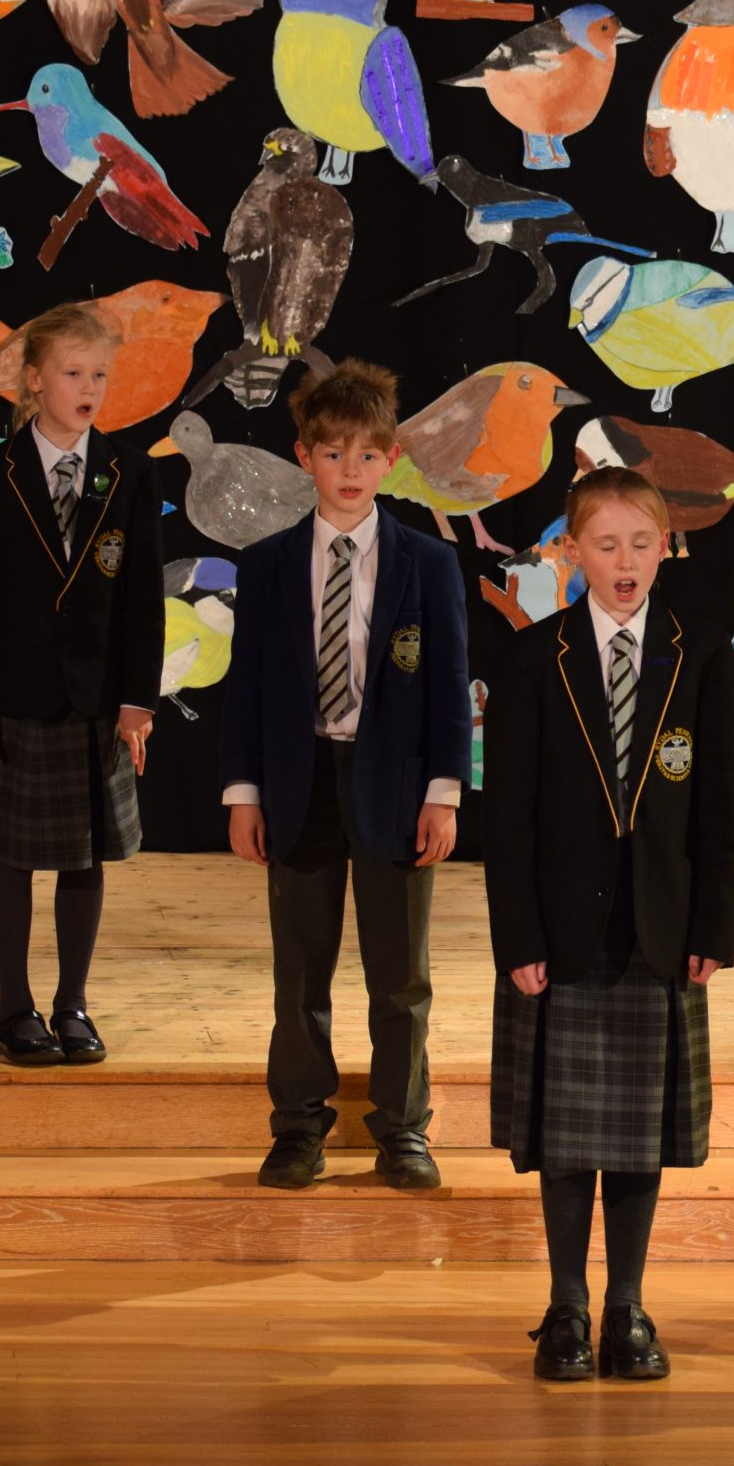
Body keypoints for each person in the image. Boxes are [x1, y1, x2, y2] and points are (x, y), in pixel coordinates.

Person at [483, 466, 734, 1384]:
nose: (625, 561)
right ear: (571, 551)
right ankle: (566, 1304)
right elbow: (507, 815)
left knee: (638, 1137)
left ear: (666, 547)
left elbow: (718, 807)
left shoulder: (700, 653)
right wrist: (518, 935)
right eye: (605, 543)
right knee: (566, 1138)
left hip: (660, 930)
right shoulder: (534, 658)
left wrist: (714, 923)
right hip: (562, 932)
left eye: (641, 542)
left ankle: (627, 1304)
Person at [220, 361, 470, 1192]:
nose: (350, 470)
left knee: (400, 974)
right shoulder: (268, 564)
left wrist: (443, 792)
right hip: (300, 783)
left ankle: (402, 1126)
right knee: (301, 969)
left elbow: (449, 686)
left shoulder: (427, 563)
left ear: (391, 459)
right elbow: (247, 688)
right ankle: (298, 1125)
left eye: (367, 455)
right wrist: (244, 792)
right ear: (304, 456)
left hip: (394, 785)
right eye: (333, 453)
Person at [0, 304, 160, 1067]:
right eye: (73, 373)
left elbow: (142, 596)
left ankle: (72, 1003)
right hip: (18, 697)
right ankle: (15, 1008)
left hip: (97, 699)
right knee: (13, 855)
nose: (88, 388)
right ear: (35, 380)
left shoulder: (128, 472)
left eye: (98, 374)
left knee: (84, 854)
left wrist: (137, 699)